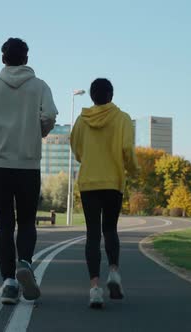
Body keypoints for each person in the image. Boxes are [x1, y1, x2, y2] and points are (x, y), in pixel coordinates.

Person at [0, 38, 58, 304]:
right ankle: (25, 264)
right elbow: (50, 115)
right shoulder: (40, 87)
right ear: (26, 58)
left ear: (3, 58)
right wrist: (36, 133)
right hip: (28, 164)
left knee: (4, 224)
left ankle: (8, 283)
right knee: (27, 221)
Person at [70, 78, 137, 309]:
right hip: (113, 181)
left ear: (91, 96)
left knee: (92, 235)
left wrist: (87, 158)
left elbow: (76, 148)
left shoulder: (81, 120)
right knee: (110, 229)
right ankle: (114, 273)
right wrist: (133, 168)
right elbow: (127, 149)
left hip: (89, 182)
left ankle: (95, 289)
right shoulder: (123, 119)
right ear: (111, 94)